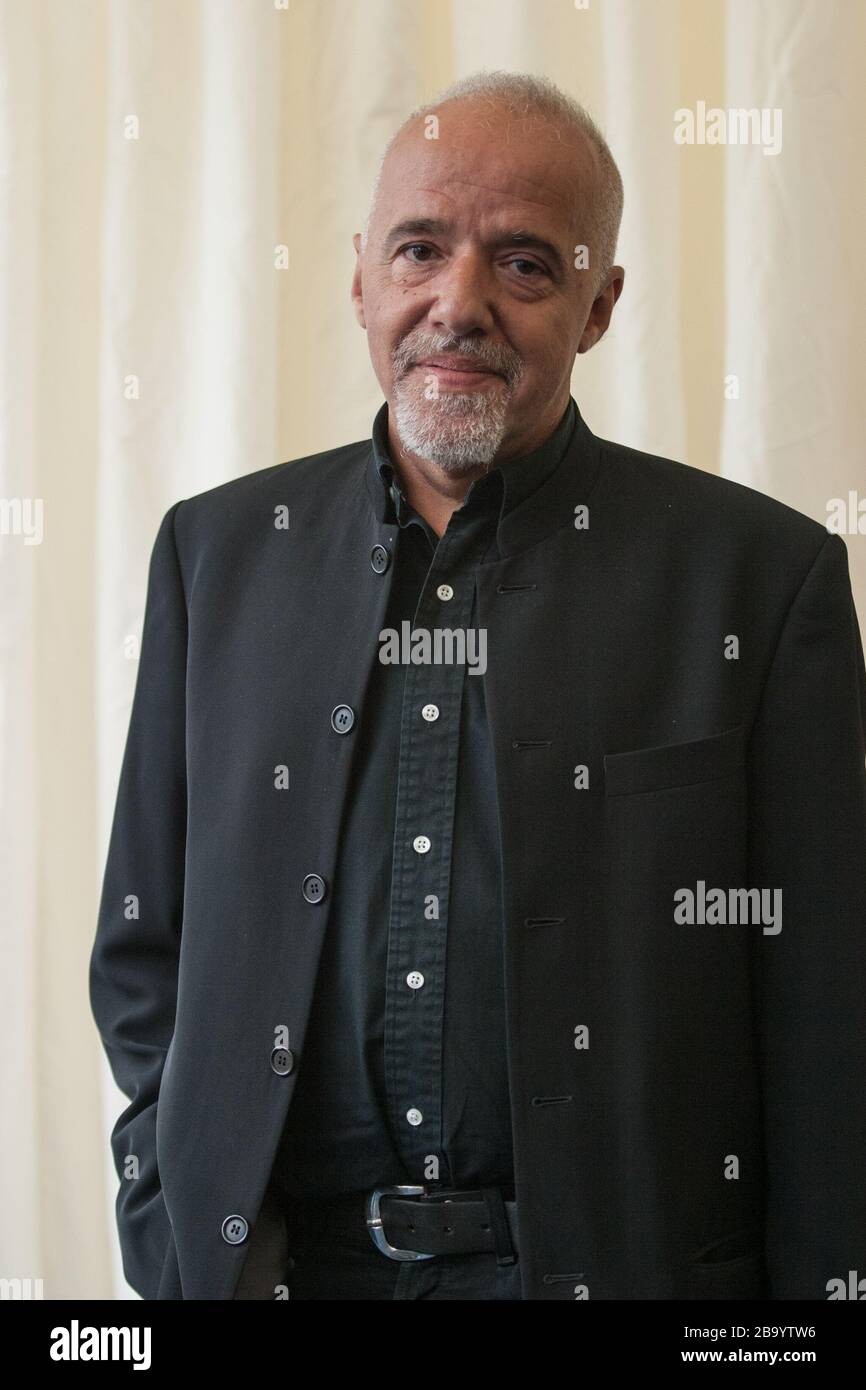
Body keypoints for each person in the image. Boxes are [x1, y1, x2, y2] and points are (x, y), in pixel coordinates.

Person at [90, 71, 866, 1301]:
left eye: (521, 265)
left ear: (598, 304)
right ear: (359, 277)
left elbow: (830, 1026)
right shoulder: (216, 556)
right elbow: (144, 954)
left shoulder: (760, 586)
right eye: (418, 250)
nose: (456, 304)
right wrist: (168, 1212)